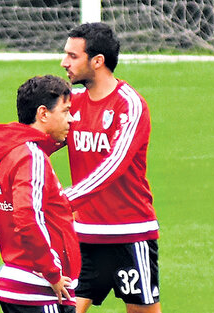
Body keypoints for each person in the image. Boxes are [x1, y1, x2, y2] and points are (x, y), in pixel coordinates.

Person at [60, 22, 161, 313]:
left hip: (129, 234)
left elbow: (114, 165)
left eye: (72, 56)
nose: (63, 62)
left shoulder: (129, 105)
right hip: (83, 238)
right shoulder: (73, 105)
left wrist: (63, 200)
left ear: (98, 61)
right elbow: (40, 144)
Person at [0, 75, 81, 313]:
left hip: (17, 283)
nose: (71, 119)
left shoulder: (7, 152)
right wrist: (51, 271)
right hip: (40, 291)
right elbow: (27, 216)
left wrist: (15, 252)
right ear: (43, 114)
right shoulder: (31, 157)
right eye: (66, 111)